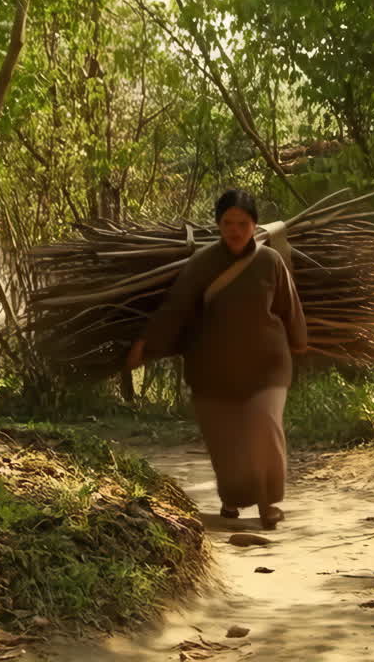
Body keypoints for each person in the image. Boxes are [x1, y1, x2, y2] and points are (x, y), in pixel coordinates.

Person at [126, 189, 308, 529]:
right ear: (218, 224)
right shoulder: (202, 264)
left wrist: (299, 342)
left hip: (266, 366)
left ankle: (269, 505)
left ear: (255, 225)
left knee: (264, 428)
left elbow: (289, 307)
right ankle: (233, 497)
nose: (235, 230)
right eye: (228, 223)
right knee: (224, 441)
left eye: (243, 223)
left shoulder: (271, 262)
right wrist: (145, 344)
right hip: (212, 368)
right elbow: (176, 309)